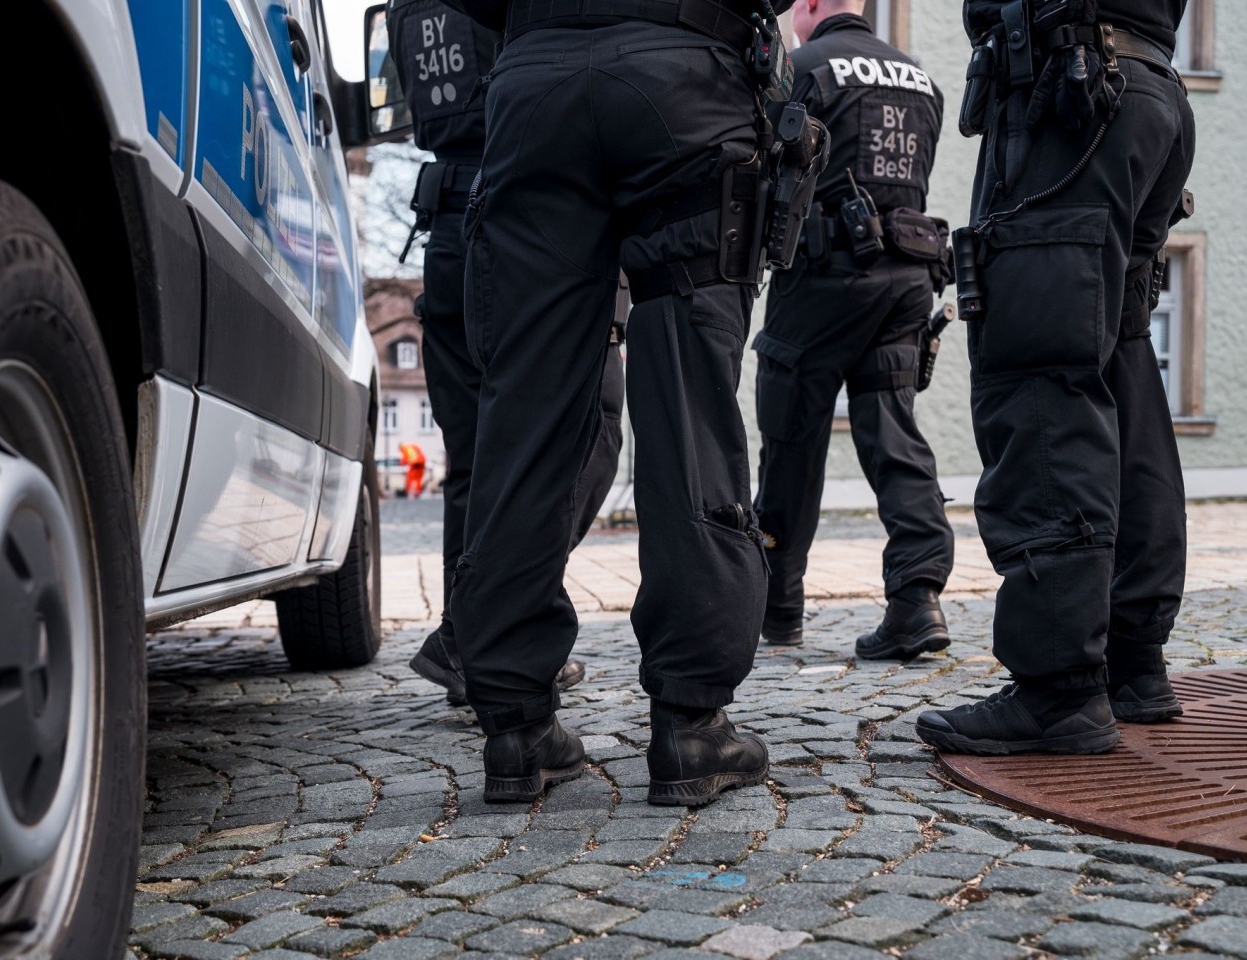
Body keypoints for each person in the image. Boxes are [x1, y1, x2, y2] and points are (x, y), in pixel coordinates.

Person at [438, 0, 800, 805]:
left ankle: (515, 727)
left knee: (526, 408)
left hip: (538, 79)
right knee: (688, 402)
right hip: (687, 78)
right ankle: (691, 724)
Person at [916, 0, 1195, 754]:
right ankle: (1133, 663)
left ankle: (1059, 688)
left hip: (1069, 85)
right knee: (1122, 364)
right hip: (1147, 85)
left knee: (1041, 365)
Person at [385, 0, 626, 708]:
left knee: (474, 461)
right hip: (525, 215)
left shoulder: (406, 10)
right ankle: (480, 631)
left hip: (447, 227)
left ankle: (469, 642)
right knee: (591, 428)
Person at [752, 0, 954, 657]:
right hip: (905, 280)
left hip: (821, 279)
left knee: (791, 439)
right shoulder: (922, 79)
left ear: (809, 7)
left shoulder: (803, 67)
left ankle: (778, 609)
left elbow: (766, 159)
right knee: (894, 435)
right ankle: (917, 601)